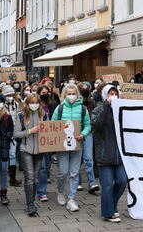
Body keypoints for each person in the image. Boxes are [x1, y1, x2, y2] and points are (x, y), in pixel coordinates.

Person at [52, 83, 92, 212]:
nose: (71, 96)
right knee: (63, 172)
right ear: (64, 95)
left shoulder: (83, 109)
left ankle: (72, 198)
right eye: (68, 94)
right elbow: (52, 125)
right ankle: (60, 191)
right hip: (62, 145)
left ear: (77, 95)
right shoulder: (59, 108)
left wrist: (83, 134)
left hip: (77, 144)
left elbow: (87, 125)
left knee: (74, 173)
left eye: (73, 93)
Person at [92, 84, 128, 223]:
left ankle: (111, 205)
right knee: (107, 185)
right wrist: (107, 107)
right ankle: (108, 213)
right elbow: (97, 125)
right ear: (105, 95)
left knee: (122, 181)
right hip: (104, 155)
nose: (113, 95)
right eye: (110, 93)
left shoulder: (122, 109)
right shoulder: (98, 109)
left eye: (115, 93)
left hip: (119, 155)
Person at [13, 94, 47, 216]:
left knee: (36, 178)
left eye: (36, 102)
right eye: (31, 102)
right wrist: (29, 131)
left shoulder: (43, 115)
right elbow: (16, 134)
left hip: (40, 149)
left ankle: (31, 201)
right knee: (30, 176)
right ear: (27, 104)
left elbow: (50, 131)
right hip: (25, 149)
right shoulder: (21, 115)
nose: (34, 104)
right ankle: (30, 205)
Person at [0, 93, 14, 205]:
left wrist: (8, 135)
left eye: (1, 102)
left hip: (4, 147)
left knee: (4, 170)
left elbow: (11, 129)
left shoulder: (7, 116)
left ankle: (3, 192)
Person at [77, 82, 99, 194]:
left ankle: (92, 182)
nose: (85, 90)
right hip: (76, 132)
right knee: (78, 159)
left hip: (88, 132)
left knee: (89, 158)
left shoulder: (91, 103)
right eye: (82, 89)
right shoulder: (75, 103)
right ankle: (78, 181)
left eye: (86, 89)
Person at [36, 84, 57, 202]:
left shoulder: (53, 105)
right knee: (39, 167)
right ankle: (39, 190)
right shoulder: (34, 105)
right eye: (42, 93)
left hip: (48, 139)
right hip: (36, 138)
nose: (44, 95)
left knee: (45, 167)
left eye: (46, 92)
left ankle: (42, 190)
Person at [0, 85, 22, 187]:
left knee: (12, 155)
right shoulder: (0, 105)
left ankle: (12, 178)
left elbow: (18, 118)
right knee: (4, 155)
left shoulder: (16, 105)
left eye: (11, 94)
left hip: (13, 134)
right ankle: (3, 175)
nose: (10, 97)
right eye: (8, 95)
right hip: (3, 135)